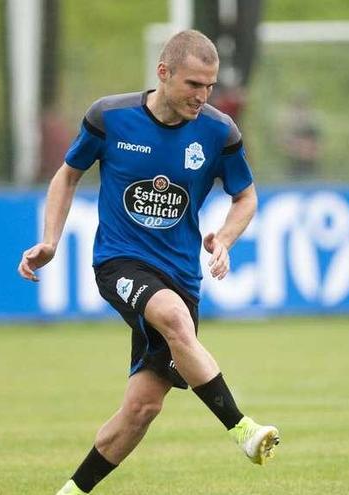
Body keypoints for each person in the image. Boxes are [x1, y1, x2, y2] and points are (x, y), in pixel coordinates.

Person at [17, 30, 279, 495]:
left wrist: (227, 239)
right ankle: (244, 431)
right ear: (164, 73)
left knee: (142, 410)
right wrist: (50, 242)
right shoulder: (110, 117)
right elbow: (68, 174)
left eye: (210, 86)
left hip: (182, 275)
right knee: (173, 318)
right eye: (193, 84)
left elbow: (246, 196)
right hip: (120, 263)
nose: (203, 96)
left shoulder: (219, 132)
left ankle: (70, 492)